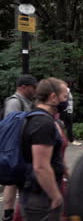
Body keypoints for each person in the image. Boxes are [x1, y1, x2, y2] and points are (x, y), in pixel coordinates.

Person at [18, 77, 68, 221]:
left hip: (40, 193)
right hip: (40, 197)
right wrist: (55, 195)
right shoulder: (42, 123)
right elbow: (40, 166)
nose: (66, 101)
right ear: (53, 97)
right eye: (64, 97)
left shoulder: (43, 119)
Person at [2, 75, 37, 221]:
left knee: (15, 183)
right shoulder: (14, 102)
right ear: (23, 87)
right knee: (12, 183)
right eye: (32, 87)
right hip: (15, 151)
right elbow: (11, 126)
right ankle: (8, 214)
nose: (35, 90)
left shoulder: (26, 101)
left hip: (23, 150)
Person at [59, 80, 80, 146]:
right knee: (68, 125)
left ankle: (66, 139)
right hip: (66, 110)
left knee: (63, 125)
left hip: (65, 110)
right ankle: (71, 140)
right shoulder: (66, 90)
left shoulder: (61, 90)